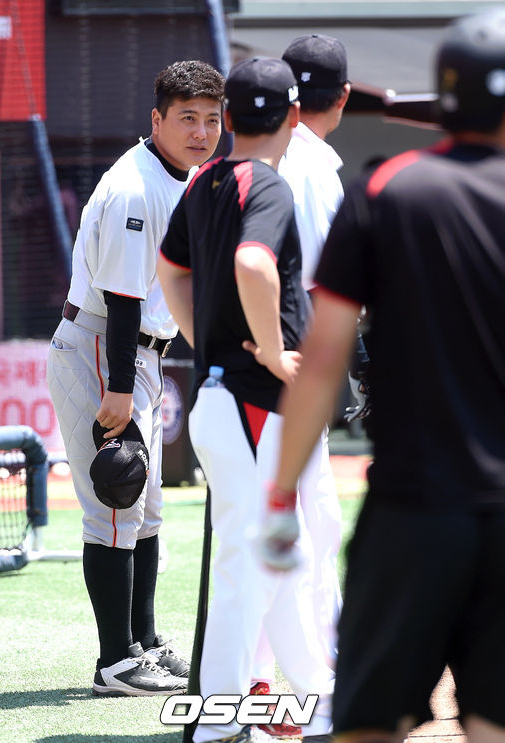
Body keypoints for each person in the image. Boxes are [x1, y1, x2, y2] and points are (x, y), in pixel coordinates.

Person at [260, 9, 505, 743]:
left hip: (412, 510)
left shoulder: (387, 188)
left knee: (366, 726)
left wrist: (280, 492)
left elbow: (323, 356)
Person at [158, 57, 334, 743]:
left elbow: (171, 269)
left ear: (228, 117)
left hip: (224, 400)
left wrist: (208, 340)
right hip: (254, 402)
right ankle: (220, 719)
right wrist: (269, 349)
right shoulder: (267, 183)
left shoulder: (206, 181)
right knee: (253, 561)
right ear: (295, 116)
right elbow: (254, 262)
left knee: (276, 556)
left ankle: (320, 697)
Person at [47, 59, 224, 697]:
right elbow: (122, 299)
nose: (201, 131)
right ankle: (113, 662)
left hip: (134, 351)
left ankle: (143, 643)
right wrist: (119, 389)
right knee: (116, 499)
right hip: (103, 347)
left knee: (145, 507)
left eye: (211, 119)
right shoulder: (134, 187)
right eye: (187, 118)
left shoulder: (185, 176)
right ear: (157, 119)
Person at [250, 36, 351, 710]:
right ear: (341, 97)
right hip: (294, 360)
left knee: (292, 519)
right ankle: (305, 670)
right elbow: (326, 284)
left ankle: (272, 666)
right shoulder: (314, 166)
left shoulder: (250, 160)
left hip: (252, 359)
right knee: (306, 523)